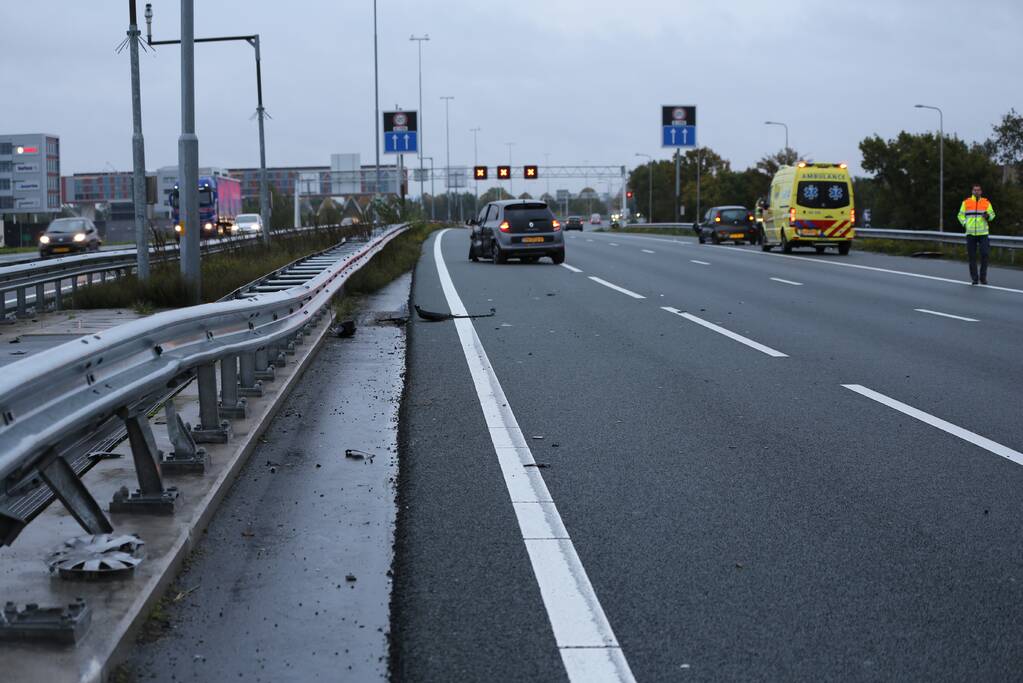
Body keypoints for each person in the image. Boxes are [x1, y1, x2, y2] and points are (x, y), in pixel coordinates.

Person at [958, 184, 996, 285]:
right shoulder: (966, 202)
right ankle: (975, 278)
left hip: (983, 233)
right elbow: (960, 215)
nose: (976, 192)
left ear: (981, 191)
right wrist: (965, 223)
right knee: (972, 257)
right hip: (970, 233)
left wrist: (988, 216)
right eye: (975, 190)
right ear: (972, 191)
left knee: (985, 254)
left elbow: (993, 215)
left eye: (978, 190)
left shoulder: (986, 202)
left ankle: (983, 278)